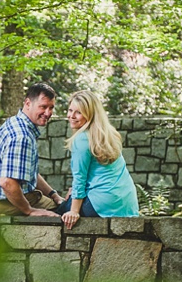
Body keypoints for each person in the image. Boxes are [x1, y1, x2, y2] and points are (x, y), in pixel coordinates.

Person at [0, 82, 68, 216]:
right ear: (27, 103)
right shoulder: (21, 136)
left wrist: (54, 195)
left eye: (51, 108)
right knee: (68, 212)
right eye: (43, 107)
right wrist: (30, 211)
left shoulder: (16, 122)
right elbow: (7, 182)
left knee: (62, 203)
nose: (48, 113)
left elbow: (28, 173)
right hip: (4, 204)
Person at [54, 90, 140, 229]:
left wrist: (73, 211)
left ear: (90, 114)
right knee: (70, 198)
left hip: (102, 204)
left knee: (56, 211)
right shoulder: (110, 134)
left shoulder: (82, 139)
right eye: (70, 110)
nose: (71, 116)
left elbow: (79, 178)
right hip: (126, 202)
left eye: (79, 112)